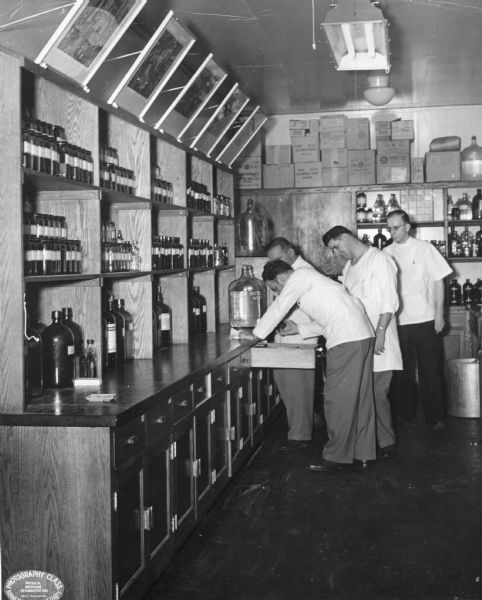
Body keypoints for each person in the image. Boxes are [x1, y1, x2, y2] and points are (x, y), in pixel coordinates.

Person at [240, 259, 376, 471]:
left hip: (346, 340)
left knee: (337, 400)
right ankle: (364, 453)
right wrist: (298, 329)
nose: (277, 293)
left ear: (282, 278)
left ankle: (336, 457)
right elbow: (326, 320)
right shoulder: (313, 281)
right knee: (361, 398)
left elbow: (279, 307)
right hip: (363, 335)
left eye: (276, 288)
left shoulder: (299, 276)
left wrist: (255, 335)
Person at [323, 226, 402, 458]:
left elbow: (390, 301)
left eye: (336, 247)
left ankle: (387, 443)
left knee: (378, 393)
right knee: (361, 394)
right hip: (357, 339)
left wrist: (380, 334)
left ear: (345, 237)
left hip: (380, 338)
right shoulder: (349, 267)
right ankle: (365, 446)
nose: (337, 254)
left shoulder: (380, 259)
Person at [383, 210, 452, 432]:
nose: (392, 232)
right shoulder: (385, 253)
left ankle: (436, 418)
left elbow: (439, 281)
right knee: (401, 372)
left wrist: (439, 314)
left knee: (430, 371)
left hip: (425, 320)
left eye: (396, 227)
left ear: (407, 227)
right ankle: (406, 414)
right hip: (398, 322)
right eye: (389, 228)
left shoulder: (425, 249)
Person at [264, 238, 317, 451]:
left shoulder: (301, 273)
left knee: (297, 390)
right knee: (289, 388)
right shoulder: (289, 274)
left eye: (278, 259)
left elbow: (284, 307)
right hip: (289, 338)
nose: (275, 264)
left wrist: (259, 332)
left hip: (299, 339)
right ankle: (301, 430)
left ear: (291, 252)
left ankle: (299, 438)